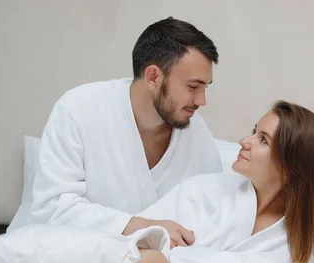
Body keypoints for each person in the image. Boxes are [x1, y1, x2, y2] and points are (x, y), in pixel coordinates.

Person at [130, 100, 314, 263]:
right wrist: (152, 256)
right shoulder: (201, 192)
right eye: (254, 131)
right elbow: (129, 236)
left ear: (291, 168)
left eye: (263, 140)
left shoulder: (309, 241)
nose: (244, 141)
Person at [29, 17, 222, 247]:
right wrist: (147, 230)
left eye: (205, 87)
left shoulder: (195, 130)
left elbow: (215, 210)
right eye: (193, 86)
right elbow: (52, 210)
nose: (201, 100)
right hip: (75, 260)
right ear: (153, 77)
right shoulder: (78, 111)